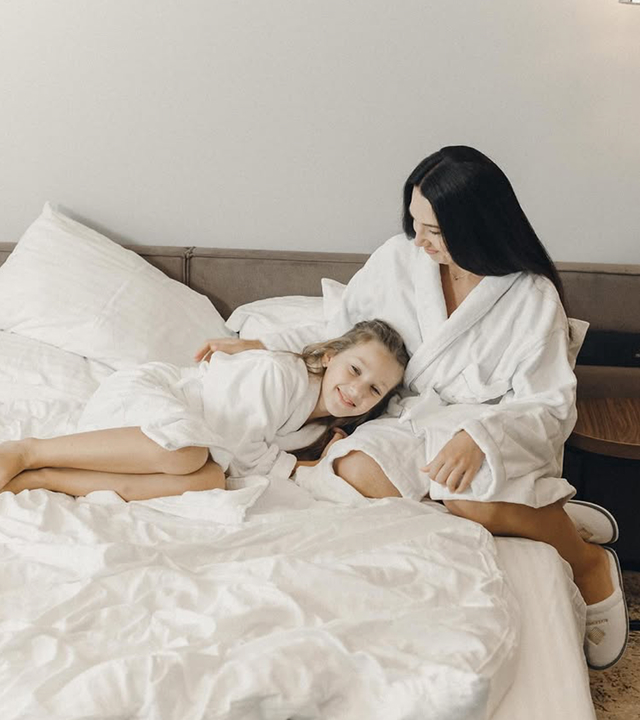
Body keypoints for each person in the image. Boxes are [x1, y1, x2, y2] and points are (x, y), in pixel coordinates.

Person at [194, 145, 628, 671]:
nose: (418, 240)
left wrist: (481, 438)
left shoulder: (530, 298)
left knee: (465, 495)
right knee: (350, 472)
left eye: (435, 231)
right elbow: (344, 331)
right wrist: (264, 344)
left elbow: (549, 404)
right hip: (406, 419)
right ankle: (537, 513)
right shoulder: (399, 259)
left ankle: (586, 562)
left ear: (477, 227)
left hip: (485, 428)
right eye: (415, 222)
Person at [0, 319, 408, 502]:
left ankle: (45, 479)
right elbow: (240, 446)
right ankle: (29, 450)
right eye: (355, 370)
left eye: (375, 389)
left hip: (197, 445)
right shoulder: (279, 373)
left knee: (210, 481)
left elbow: (237, 463)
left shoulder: (319, 429)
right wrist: (301, 466)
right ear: (330, 355)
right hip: (157, 398)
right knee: (188, 454)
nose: (357, 390)